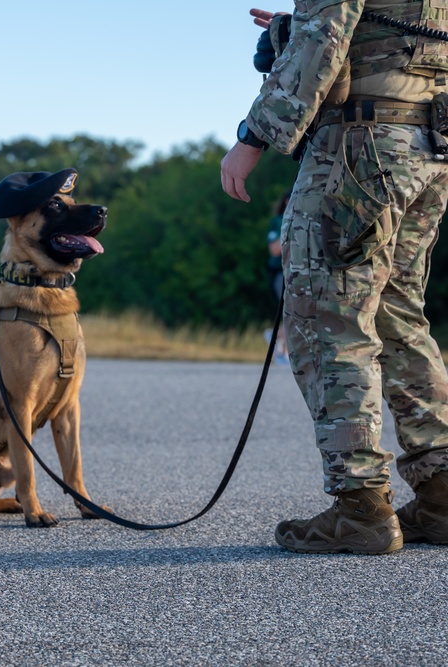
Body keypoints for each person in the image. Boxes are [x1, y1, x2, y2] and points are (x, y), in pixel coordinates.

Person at [221, 5, 448, 554]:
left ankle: (361, 506)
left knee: (329, 316)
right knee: (397, 316)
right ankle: (442, 495)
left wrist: (252, 138)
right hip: (430, 148)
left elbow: (324, 37)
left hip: (360, 148)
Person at [265, 190, 289, 365]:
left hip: (298, 271)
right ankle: (282, 348)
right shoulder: (278, 221)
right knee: (289, 310)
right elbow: (274, 250)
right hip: (280, 272)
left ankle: (279, 343)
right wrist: (290, 230)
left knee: (296, 312)